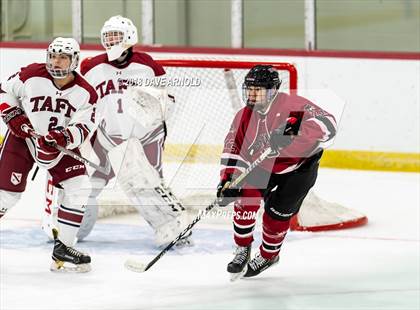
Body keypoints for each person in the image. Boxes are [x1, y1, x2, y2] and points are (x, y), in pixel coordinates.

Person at [42, 15, 192, 247]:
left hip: (144, 138)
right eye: (108, 37)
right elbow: (82, 100)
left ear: (130, 37)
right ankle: (71, 227)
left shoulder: (148, 65)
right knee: (84, 184)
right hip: (105, 137)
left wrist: (155, 108)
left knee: (146, 185)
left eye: (116, 36)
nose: (112, 41)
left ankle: (172, 228)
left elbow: (168, 101)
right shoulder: (92, 66)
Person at [217, 65, 337, 279]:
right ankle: (242, 249)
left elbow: (329, 124)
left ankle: (269, 255)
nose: (252, 94)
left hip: (299, 167)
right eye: (249, 89)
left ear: (272, 90)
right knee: (244, 197)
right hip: (263, 165)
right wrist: (228, 180)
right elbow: (234, 148)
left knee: (276, 214)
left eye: (258, 90)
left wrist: (289, 132)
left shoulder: (293, 105)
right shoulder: (244, 116)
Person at [0, 37, 97, 272]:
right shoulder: (31, 74)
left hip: (57, 146)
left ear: (74, 60)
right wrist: (14, 116)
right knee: (6, 196)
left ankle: (62, 250)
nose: (56, 61)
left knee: (79, 187)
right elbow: (4, 91)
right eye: (53, 55)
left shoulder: (86, 93)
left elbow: (85, 127)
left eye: (63, 57)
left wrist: (63, 137)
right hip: (24, 139)